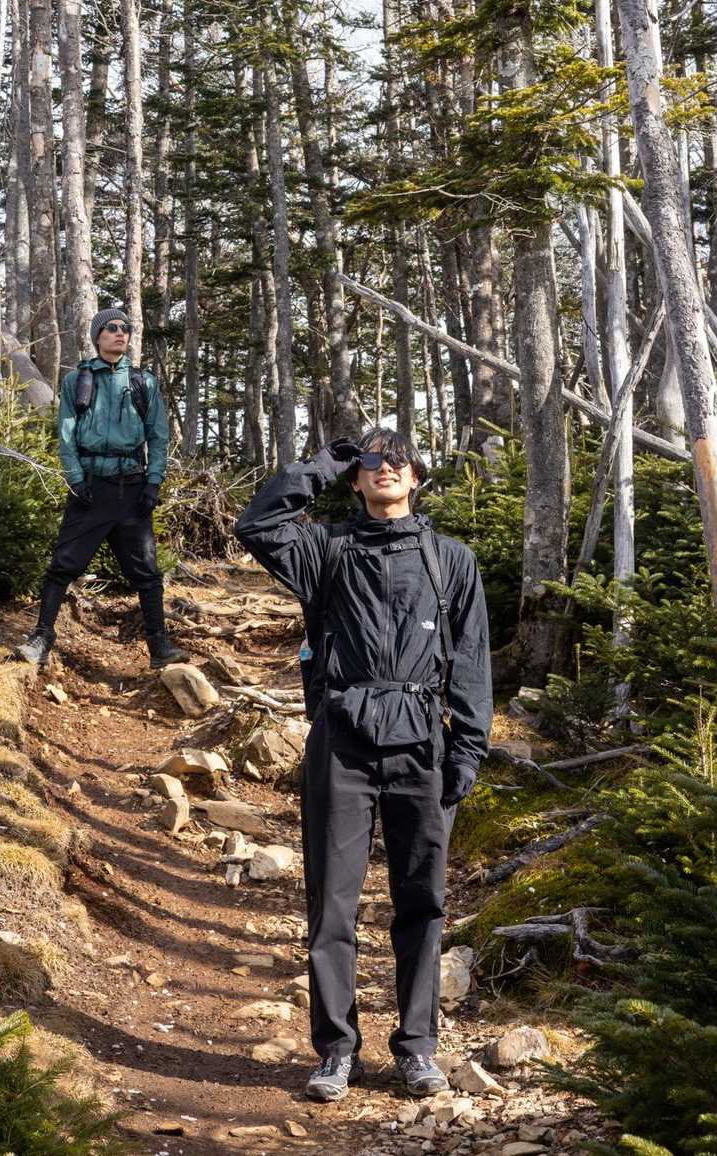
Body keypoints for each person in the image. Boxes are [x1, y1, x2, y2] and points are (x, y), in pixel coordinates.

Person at [235, 427, 491, 1103]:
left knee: (422, 902)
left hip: (422, 744)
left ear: (417, 477)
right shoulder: (325, 549)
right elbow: (257, 524)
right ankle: (336, 1051)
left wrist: (467, 750)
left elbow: (471, 661)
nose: (385, 468)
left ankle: (417, 1048)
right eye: (372, 461)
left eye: (398, 460)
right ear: (356, 478)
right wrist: (322, 463)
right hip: (341, 740)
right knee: (332, 904)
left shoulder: (450, 560)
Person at [15, 306, 187, 671]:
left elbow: (158, 436)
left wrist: (153, 483)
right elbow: (66, 435)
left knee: (147, 573)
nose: (120, 332)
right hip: (91, 489)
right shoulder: (77, 380)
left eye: (125, 327)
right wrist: (76, 478)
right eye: (111, 328)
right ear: (98, 337)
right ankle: (41, 639)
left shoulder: (143, 382)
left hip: (133, 491)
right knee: (63, 566)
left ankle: (159, 646)